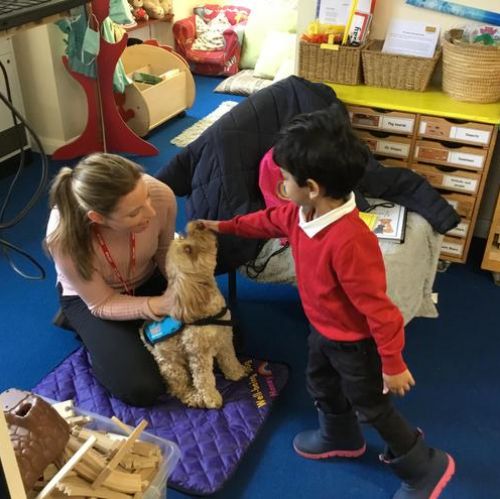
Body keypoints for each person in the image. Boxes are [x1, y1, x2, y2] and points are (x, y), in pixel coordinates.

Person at [200, 104, 455, 498]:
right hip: (323, 329)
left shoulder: (350, 241)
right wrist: (222, 226)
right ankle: (340, 435)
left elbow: (380, 310)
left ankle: (422, 465)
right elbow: (266, 221)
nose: (280, 184)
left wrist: (393, 363)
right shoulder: (300, 212)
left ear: (313, 186)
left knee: (371, 405)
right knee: (319, 380)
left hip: (355, 343)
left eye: (285, 178)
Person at [46, 153, 176, 406]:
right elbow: (102, 303)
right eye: (134, 212)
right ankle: (85, 328)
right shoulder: (63, 237)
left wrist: (178, 285)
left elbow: (164, 249)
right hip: (95, 298)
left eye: (146, 197)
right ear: (97, 218)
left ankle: (127, 328)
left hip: (147, 276)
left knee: (228, 337)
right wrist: (158, 306)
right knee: (142, 389)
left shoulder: (160, 195)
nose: (150, 212)